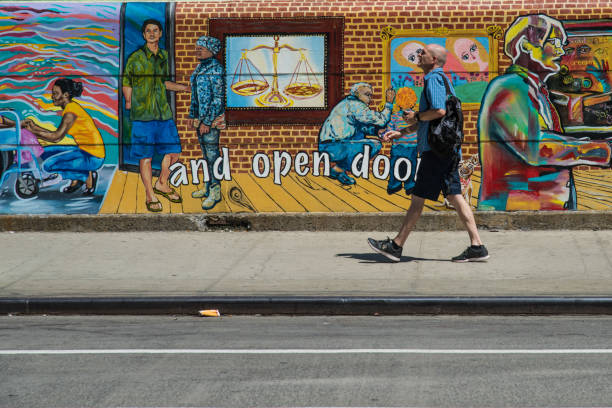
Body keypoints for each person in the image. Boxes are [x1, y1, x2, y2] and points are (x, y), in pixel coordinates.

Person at [368, 44, 489, 263]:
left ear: (433, 59)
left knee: (417, 200)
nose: (419, 55)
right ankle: (477, 246)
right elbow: (432, 120)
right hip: (448, 150)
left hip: (436, 152)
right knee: (455, 196)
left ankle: (396, 246)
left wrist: (415, 115)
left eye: (423, 53)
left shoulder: (433, 78)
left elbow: (438, 111)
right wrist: (402, 132)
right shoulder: (444, 80)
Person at [477, 14, 611, 211]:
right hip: (516, 211)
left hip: (536, 209)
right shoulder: (509, 88)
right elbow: (536, 147)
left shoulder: (536, 89)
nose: (561, 50)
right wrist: (603, 151)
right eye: (554, 42)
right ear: (525, 45)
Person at [123, 18, 190, 212]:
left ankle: (162, 183)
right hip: (143, 114)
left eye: (155, 30)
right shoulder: (135, 58)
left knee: (174, 152)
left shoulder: (164, 56)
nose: (152, 34)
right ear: (144, 35)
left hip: (163, 113)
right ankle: (150, 194)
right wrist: (129, 100)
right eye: (148, 31)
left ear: (160, 34)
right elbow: (127, 81)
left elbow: (163, 83)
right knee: (145, 157)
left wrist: (184, 88)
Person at [22, 78, 105, 196]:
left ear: (65, 95)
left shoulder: (70, 113)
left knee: (48, 166)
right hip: (84, 150)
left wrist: (34, 131)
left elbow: (56, 137)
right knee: (44, 152)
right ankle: (78, 178)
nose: (52, 97)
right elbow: (56, 134)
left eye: (55, 93)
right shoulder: (71, 108)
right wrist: (34, 128)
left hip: (93, 157)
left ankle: (85, 176)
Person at [318, 83, 395, 185]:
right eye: (367, 94)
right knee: (375, 145)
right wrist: (389, 103)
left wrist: (376, 132)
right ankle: (343, 169)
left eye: (370, 95)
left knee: (359, 136)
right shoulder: (356, 105)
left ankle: (338, 171)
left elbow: (359, 127)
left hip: (329, 146)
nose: (370, 98)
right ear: (356, 94)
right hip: (334, 147)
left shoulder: (347, 103)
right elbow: (381, 120)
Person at [189, 35, 226, 210]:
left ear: (211, 51)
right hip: (200, 120)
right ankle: (207, 186)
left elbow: (218, 99)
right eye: (197, 48)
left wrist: (207, 121)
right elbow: (195, 96)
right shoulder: (200, 68)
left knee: (212, 156)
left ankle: (215, 191)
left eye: (201, 49)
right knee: (205, 155)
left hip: (209, 123)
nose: (197, 51)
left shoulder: (216, 70)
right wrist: (193, 116)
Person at [379, 87, 418, 195]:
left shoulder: (395, 116)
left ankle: (394, 185)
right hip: (412, 146)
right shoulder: (416, 116)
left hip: (398, 146)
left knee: (395, 165)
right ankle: (410, 185)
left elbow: (389, 130)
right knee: (411, 165)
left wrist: (383, 133)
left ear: (398, 103)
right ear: (413, 102)